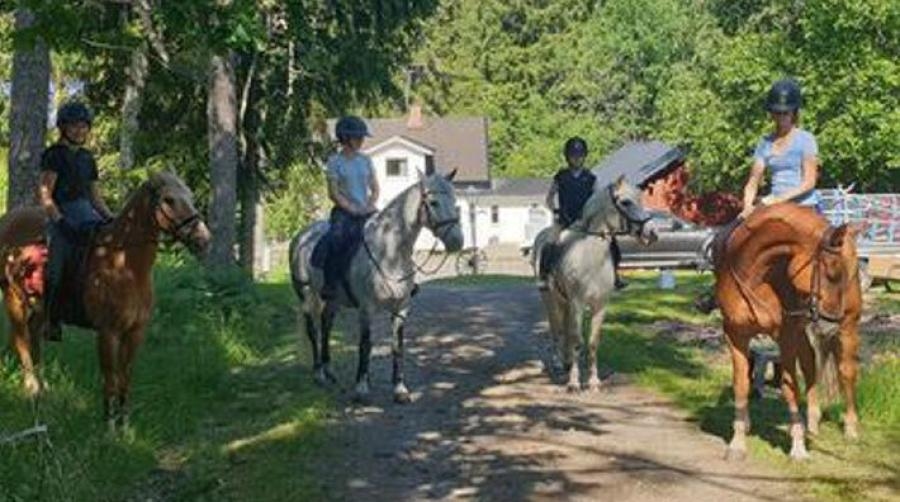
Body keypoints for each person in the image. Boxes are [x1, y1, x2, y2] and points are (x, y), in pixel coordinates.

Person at [695, 77, 821, 313]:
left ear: (794, 112)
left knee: (830, 245)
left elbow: (809, 182)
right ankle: (720, 291)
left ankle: (829, 296)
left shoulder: (806, 140)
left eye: (785, 112)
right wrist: (747, 205)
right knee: (726, 238)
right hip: (771, 206)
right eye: (776, 112)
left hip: (803, 205)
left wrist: (777, 199)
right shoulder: (764, 143)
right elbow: (754, 180)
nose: (780, 117)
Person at [38, 101, 114, 340]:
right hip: (61, 214)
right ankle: (50, 319)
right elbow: (44, 194)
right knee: (56, 266)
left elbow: (95, 197)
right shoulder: (54, 155)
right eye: (74, 126)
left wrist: (112, 218)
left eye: (83, 126)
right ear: (63, 128)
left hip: (86, 213)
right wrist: (59, 221)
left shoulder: (87, 158)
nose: (79, 131)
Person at [539, 137, 627, 290]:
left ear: (584, 157)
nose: (577, 159)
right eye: (573, 155)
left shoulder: (591, 178)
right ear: (567, 157)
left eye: (580, 156)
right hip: (565, 219)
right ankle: (545, 276)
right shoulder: (561, 176)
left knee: (611, 242)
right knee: (550, 243)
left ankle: (615, 274)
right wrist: (556, 211)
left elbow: (597, 199)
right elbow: (549, 198)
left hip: (586, 220)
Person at [320, 115, 380, 301]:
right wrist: (352, 209)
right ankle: (331, 284)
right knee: (335, 240)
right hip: (344, 212)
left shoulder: (366, 160)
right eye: (358, 137)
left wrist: (370, 204)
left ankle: (400, 280)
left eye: (362, 137)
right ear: (346, 138)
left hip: (366, 209)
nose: (362, 140)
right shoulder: (334, 162)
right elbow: (333, 193)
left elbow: (375, 187)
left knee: (390, 234)